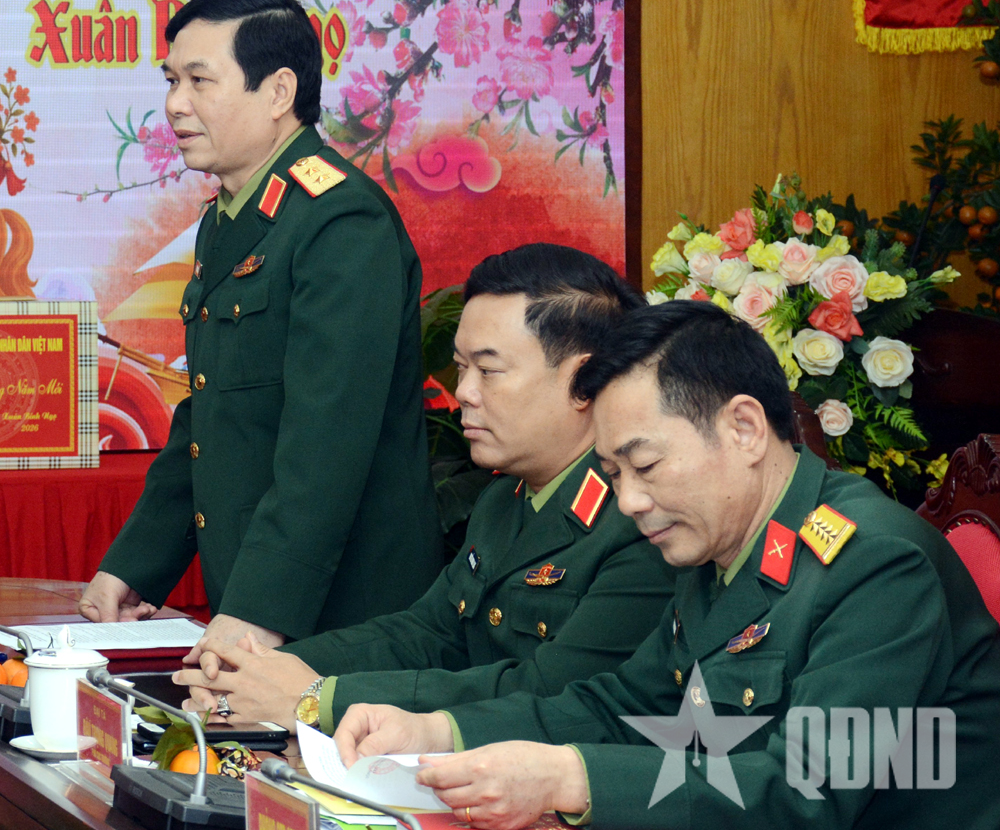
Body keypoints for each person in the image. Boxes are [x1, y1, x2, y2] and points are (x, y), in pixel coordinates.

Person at [334, 301, 1000, 829]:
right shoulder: (721, 544)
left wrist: (571, 779)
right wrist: (437, 730)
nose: (629, 501)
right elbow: (625, 704)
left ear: (744, 428)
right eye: (613, 473)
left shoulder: (875, 563)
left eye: (646, 465)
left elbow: (806, 795)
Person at [172, 243, 675, 731]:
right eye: (461, 368)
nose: (464, 393)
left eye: (488, 371)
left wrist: (319, 698)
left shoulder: (641, 520)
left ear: (583, 382)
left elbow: (548, 694)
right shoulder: (504, 499)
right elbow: (428, 633)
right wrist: (259, 668)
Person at [81, 0, 443, 651]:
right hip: (257, 606)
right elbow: (210, 417)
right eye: (171, 80)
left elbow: (325, 447)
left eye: (199, 81)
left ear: (278, 92)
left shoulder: (340, 220)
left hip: (343, 618)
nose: (175, 104)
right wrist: (135, 567)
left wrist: (256, 613)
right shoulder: (229, 218)